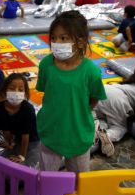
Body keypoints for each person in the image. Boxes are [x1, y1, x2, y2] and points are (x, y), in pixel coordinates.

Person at [36, 11, 107, 172]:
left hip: (78, 133)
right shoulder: (46, 65)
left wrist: (78, 112)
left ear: (81, 42)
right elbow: (45, 90)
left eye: (63, 38)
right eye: (53, 38)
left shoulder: (91, 71)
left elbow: (94, 100)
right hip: (50, 131)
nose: (56, 43)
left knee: (79, 182)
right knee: (46, 180)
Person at [95, 61, 135, 157]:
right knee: (120, 127)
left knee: (101, 116)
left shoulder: (129, 82)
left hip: (104, 89)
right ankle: (106, 135)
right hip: (117, 100)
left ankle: (96, 125)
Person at [0, 73, 40, 168]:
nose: (16, 92)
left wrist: (21, 156)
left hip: (31, 140)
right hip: (16, 137)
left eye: (21, 90)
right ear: (5, 91)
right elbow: (6, 130)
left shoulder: (28, 109)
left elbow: (26, 136)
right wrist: (9, 143)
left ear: (25, 93)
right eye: (12, 88)